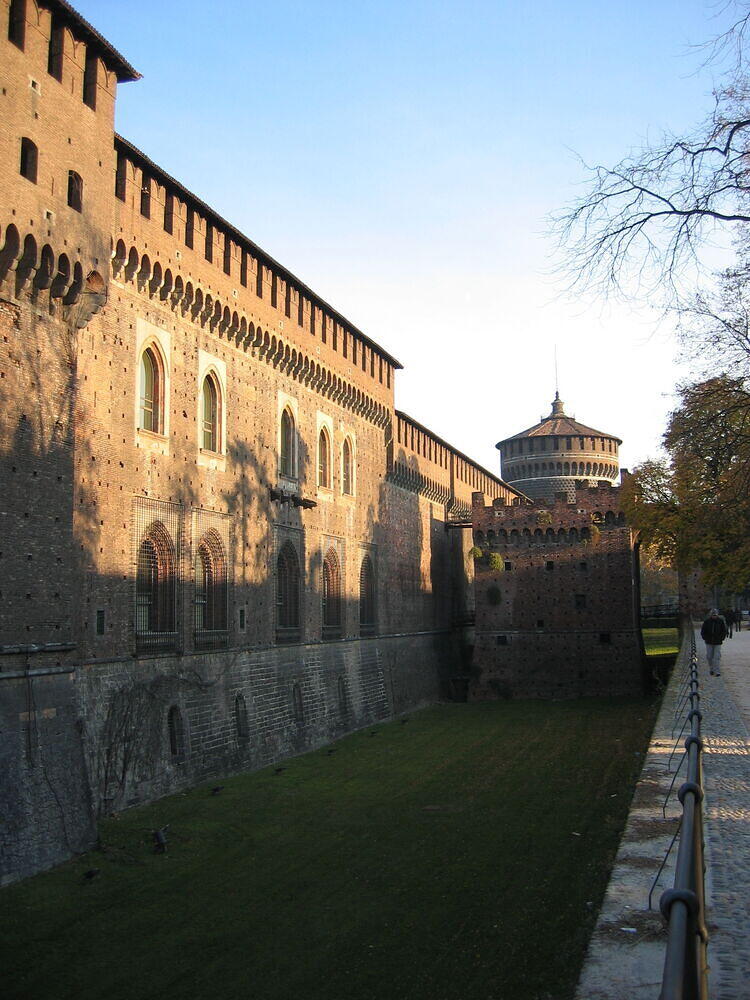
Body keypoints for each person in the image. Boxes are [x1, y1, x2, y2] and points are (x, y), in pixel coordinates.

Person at [701, 609, 727, 676]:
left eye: (715, 615)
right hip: (709, 642)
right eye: (713, 615)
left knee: (716, 657)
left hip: (717, 642)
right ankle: (711, 669)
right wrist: (705, 638)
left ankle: (717, 671)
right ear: (711, 615)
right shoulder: (707, 622)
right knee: (709, 656)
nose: (714, 616)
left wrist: (721, 638)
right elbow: (703, 631)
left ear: (717, 615)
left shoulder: (720, 621)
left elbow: (724, 631)